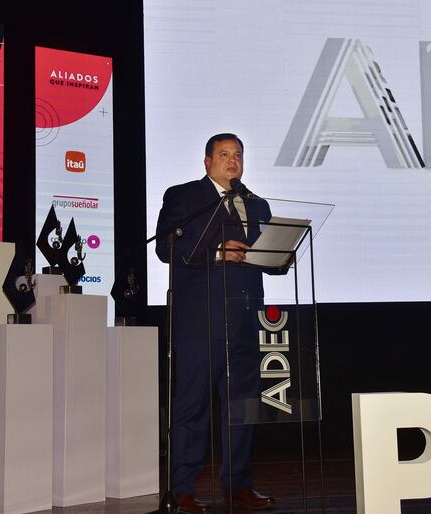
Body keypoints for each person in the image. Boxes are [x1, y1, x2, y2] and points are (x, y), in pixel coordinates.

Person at [155, 133, 276, 513]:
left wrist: (278, 254)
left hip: (245, 319)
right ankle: (182, 489)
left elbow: (267, 255)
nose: (233, 161)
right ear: (207, 162)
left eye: (238, 155)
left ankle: (237, 484)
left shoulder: (257, 204)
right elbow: (165, 247)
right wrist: (217, 251)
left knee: (242, 406)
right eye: (224, 154)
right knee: (192, 406)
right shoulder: (184, 197)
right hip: (200, 320)